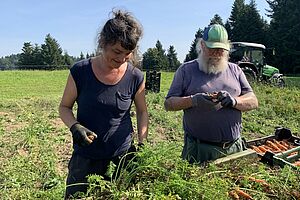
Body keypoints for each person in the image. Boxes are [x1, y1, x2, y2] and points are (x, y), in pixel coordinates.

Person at [59, 9, 148, 198]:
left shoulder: (135, 76)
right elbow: (64, 107)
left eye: (128, 53)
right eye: (117, 51)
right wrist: (75, 127)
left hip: (121, 158)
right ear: (103, 43)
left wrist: (142, 142)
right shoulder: (80, 71)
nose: (122, 58)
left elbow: (142, 111)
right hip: (86, 158)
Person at [164, 24, 258, 164]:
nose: (216, 54)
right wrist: (193, 100)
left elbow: (253, 101)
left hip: (234, 148)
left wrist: (234, 101)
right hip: (199, 149)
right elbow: (168, 104)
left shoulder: (235, 70)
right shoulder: (186, 70)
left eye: (220, 50)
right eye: (212, 49)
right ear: (202, 45)